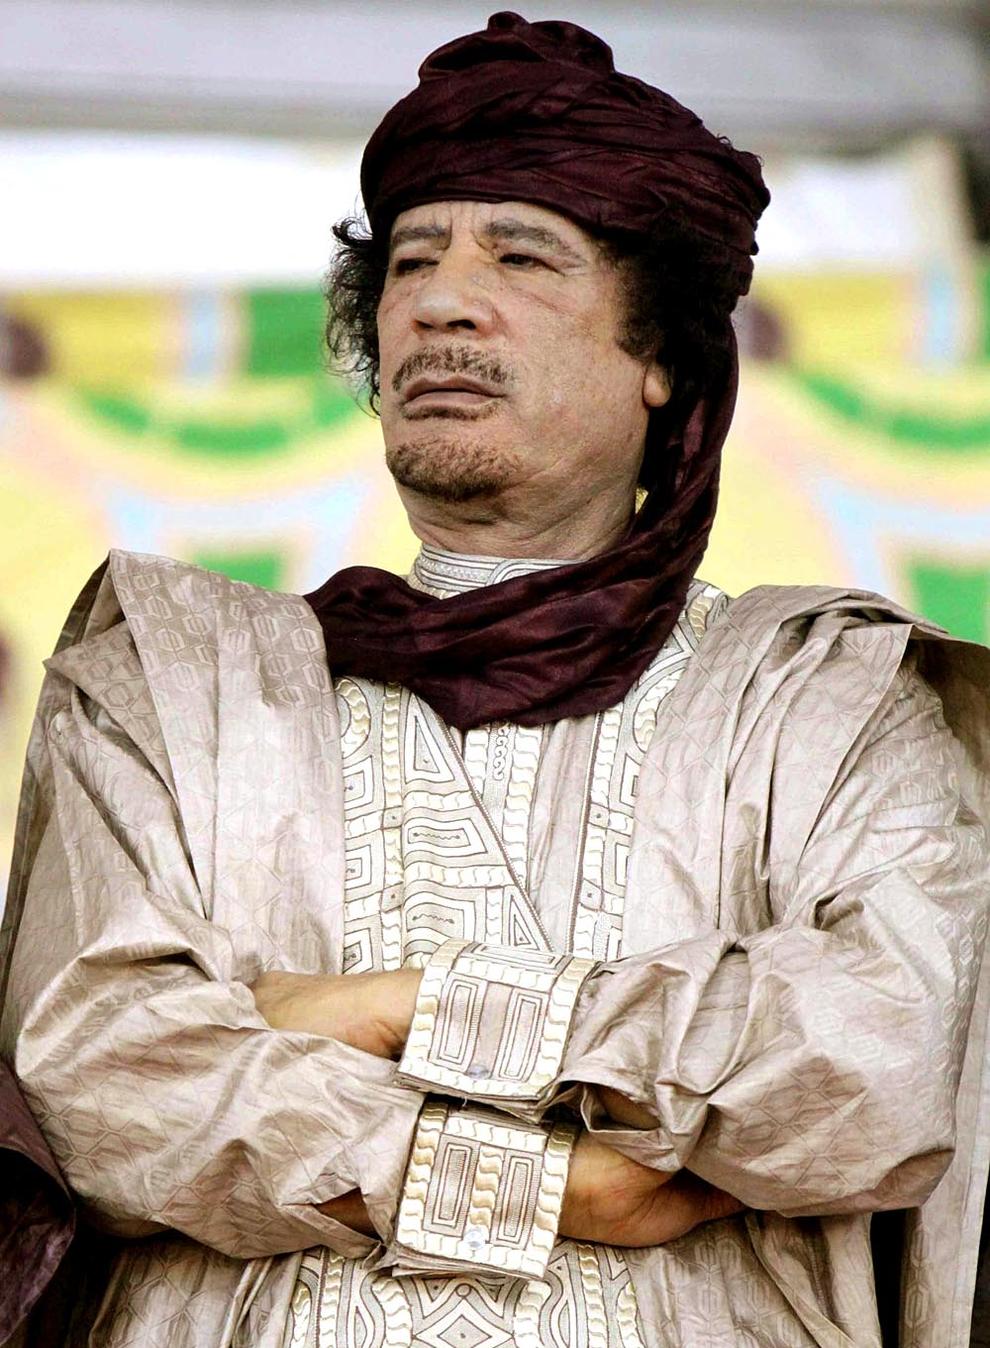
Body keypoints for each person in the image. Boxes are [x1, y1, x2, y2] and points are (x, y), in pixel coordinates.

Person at [1, 12, 988, 1348]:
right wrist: (547, 1187)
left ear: (660, 357)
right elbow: (100, 1076)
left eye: (520, 256)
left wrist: (407, 1009)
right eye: (411, 260)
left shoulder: (824, 696)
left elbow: (873, 1062)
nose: (438, 301)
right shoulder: (172, 679)